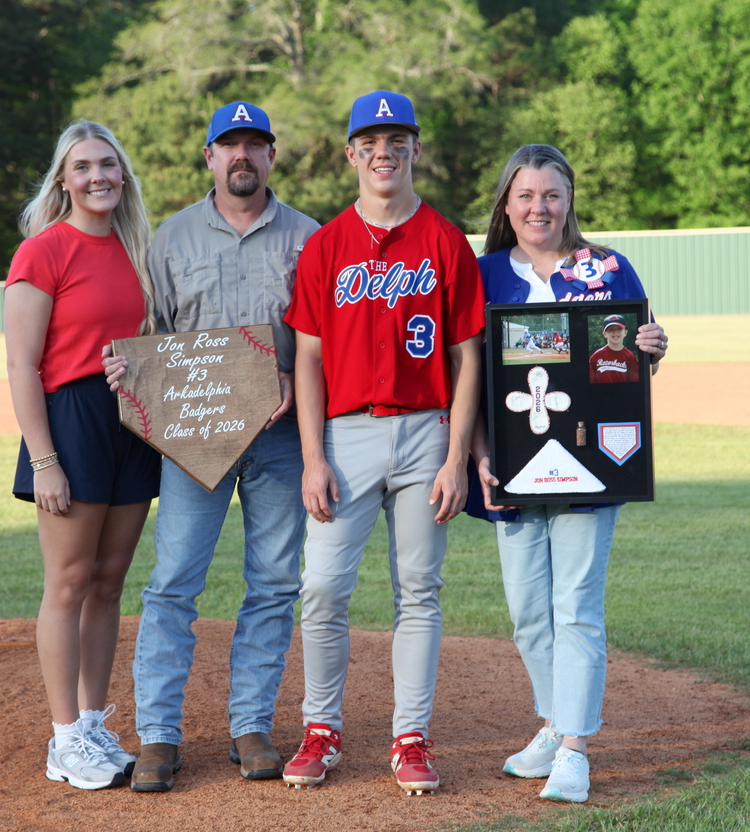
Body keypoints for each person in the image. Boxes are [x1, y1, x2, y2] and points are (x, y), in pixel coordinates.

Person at [103, 101, 319, 792]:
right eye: (230, 145)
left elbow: (322, 343)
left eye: (255, 145)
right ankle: (159, 735)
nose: (242, 156)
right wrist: (129, 370)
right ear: (210, 156)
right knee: (172, 583)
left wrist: (292, 376)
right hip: (194, 437)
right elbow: (154, 337)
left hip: (280, 439)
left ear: (271, 156)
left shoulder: (310, 238)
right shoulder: (170, 239)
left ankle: (251, 725)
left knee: (273, 584)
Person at [280, 91, 485, 796]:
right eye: (369, 143)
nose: (383, 153)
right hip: (346, 434)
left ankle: (411, 737)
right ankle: (321, 728)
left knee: (419, 590)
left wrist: (455, 457)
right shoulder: (326, 244)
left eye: (396, 141)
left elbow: (467, 358)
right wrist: (313, 457)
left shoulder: (446, 241)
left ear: (415, 149)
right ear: (350, 155)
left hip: (427, 429)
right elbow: (308, 358)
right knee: (322, 587)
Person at [468, 144, 668, 803]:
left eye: (551, 195)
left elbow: (633, 357)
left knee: (575, 605)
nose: (539, 208)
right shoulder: (483, 274)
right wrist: (479, 455)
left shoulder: (606, 268)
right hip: (511, 470)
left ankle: (575, 749)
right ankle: (555, 725)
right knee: (528, 613)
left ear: (569, 199)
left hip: (590, 466)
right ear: (506, 204)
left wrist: (653, 346)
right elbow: (465, 377)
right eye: (526, 195)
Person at [4, 121, 161, 790]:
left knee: (109, 581)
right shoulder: (43, 251)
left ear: (123, 174)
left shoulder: (138, 250)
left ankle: (94, 722)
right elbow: (22, 365)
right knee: (68, 582)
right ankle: (65, 738)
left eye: (108, 164)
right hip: (71, 421)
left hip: (130, 419)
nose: (98, 175)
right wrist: (44, 460)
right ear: (64, 181)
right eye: (83, 166)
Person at [589, 315, 640, 383]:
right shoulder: (596, 356)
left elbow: (634, 382)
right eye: (611, 329)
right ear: (604, 334)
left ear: (625, 332)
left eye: (619, 328)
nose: (615, 332)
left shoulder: (630, 356)